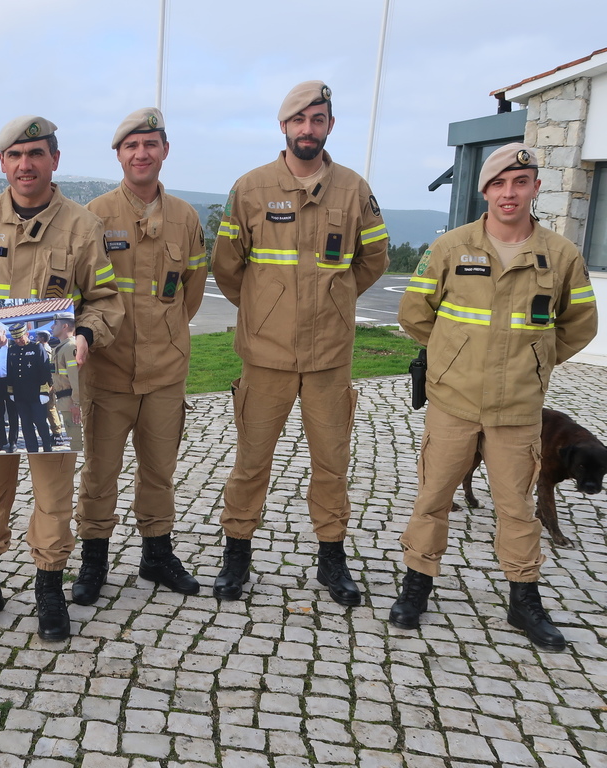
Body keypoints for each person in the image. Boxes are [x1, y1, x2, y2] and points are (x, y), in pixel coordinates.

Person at [392, 143, 598, 650]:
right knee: (434, 498)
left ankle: (523, 600)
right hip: (453, 403)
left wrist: (536, 361)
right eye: (499, 184)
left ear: (534, 188)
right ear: (485, 190)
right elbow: (414, 315)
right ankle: (417, 585)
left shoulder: (562, 255)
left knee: (517, 507)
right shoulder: (450, 248)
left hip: (518, 410)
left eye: (520, 182)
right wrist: (451, 358)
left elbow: (581, 325)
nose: (509, 193)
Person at [0, 115, 123, 641]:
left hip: (54, 382)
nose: (26, 164)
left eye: (36, 153)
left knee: (52, 491)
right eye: (15, 156)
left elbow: (106, 300)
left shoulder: (82, 227)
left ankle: (48, 585)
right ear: (3, 163)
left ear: (54, 160)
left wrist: (86, 333)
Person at [212, 82, 389, 605]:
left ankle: (332, 561)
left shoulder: (355, 191)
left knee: (332, 464)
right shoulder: (249, 188)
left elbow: (373, 259)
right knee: (251, 461)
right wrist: (265, 309)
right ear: (283, 127)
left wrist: (335, 301)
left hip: (329, 359)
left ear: (330, 125)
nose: (307, 129)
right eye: (298, 120)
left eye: (318, 119)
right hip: (264, 357)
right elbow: (228, 266)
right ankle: (236, 556)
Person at [73, 108, 208, 605]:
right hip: (108, 370)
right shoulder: (95, 215)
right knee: (99, 471)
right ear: (119, 155)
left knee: (159, 470)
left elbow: (190, 293)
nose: (141, 153)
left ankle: (156, 555)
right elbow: (83, 293)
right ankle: (93, 560)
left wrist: (167, 334)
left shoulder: (185, 218)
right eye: (131, 146)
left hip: (165, 372)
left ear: (164, 151)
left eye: (150, 144)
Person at [6, 323, 53, 453]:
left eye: (20, 337)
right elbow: (10, 371)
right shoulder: (12, 349)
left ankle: (47, 447)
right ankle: (32, 449)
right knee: (26, 425)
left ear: (27, 334)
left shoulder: (37, 347)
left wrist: (44, 391)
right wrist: (11, 391)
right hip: (20, 394)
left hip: (36, 394)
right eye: (15, 338)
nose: (18, 341)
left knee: (40, 422)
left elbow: (45, 370)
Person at [50, 313, 82, 449]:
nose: (52, 327)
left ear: (65, 326)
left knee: (76, 443)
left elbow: (76, 378)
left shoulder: (70, 347)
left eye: (55, 324)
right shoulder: (61, 348)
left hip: (71, 403)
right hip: (65, 401)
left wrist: (77, 404)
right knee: (73, 440)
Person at [0, 323, 19, 451]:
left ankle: (13, 441)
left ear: (4, 333)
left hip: (11, 383)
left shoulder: (13, 345)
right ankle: (1, 440)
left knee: (13, 413)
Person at [35, 329, 66, 443]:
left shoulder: (45, 350)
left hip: (48, 385)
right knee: (51, 408)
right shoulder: (48, 349)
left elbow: (49, 369)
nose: (36, 339)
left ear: (42, 338)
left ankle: (57, 434)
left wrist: (50, 384)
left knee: (50, 409)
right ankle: (56, 433)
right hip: (49, 383)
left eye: (37, 337)